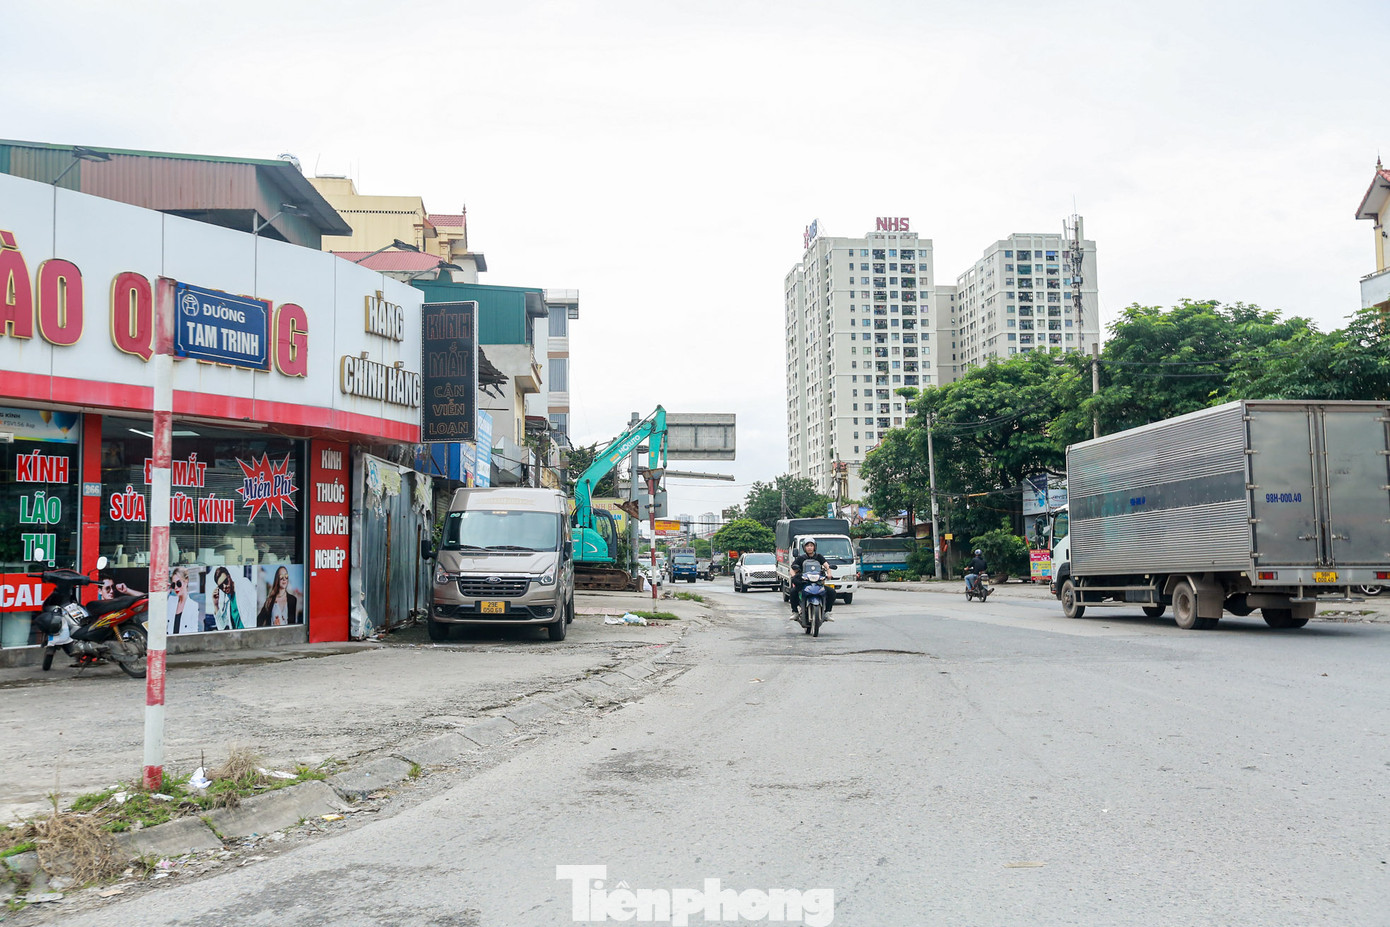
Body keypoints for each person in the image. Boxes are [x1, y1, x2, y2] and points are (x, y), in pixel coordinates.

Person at [789, 540, 834, 619]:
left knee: (832, 592)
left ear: (814, 547)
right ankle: (795, 612)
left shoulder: (819, 557)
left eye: (811, 546)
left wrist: (829, 574)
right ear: (804, 548)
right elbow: (792, 569)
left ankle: (827, 612)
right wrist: (794, 576)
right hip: (804, 582)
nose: (809, 548)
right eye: (807, 546)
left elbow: (827, 566)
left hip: (818, 583)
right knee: (793, 592)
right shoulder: (801, 558)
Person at [208, 566, 246, 631]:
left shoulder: (243, 585)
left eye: (225, 581)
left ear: (229, 577)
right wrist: (216, 605)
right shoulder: (228, 602)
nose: (224, 587)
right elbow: (221, 627)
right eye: (221, 586)